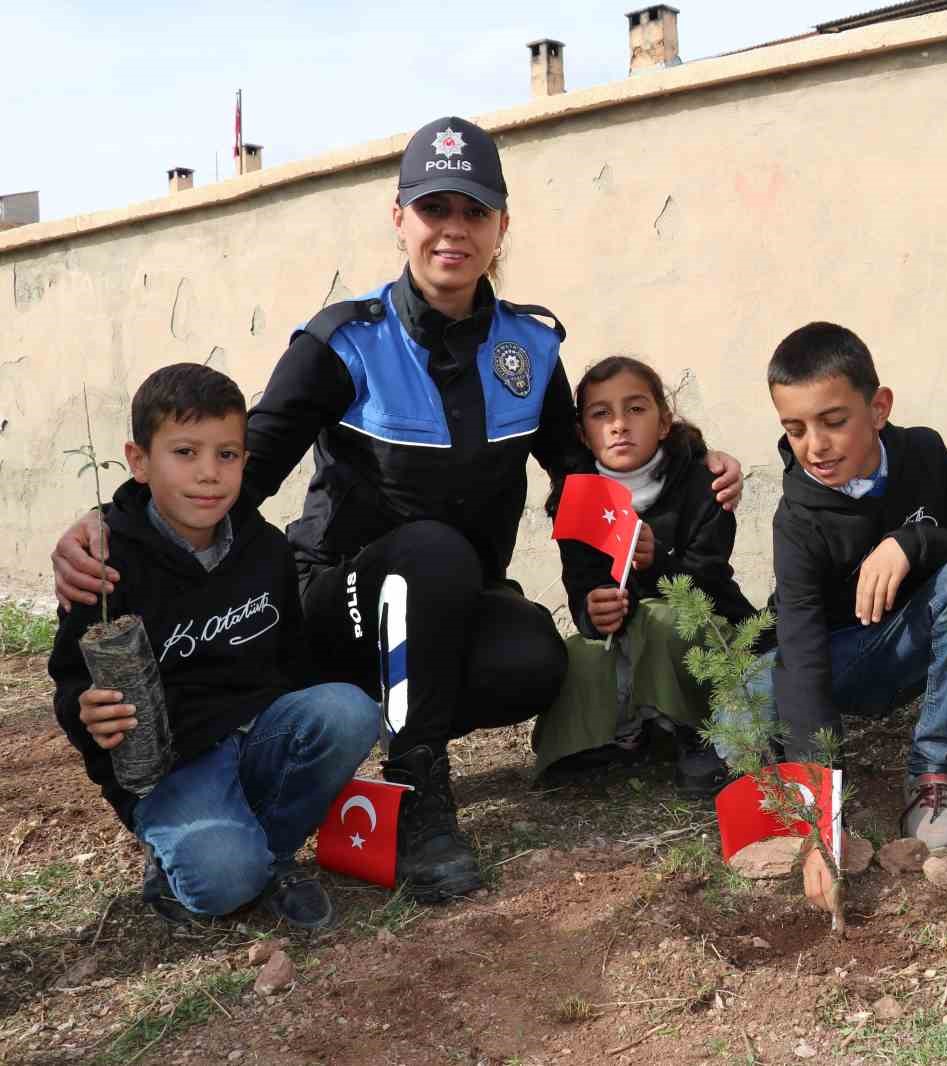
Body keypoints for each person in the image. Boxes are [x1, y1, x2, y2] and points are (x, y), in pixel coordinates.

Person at [51, 116, 744, 904]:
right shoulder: (342, 343)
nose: (453, 230)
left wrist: (684, 476)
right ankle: (419, 793)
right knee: (433, 550)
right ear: (399, 218)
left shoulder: (532, 351)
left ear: (501, 227)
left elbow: (577, 477)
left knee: (531, 661)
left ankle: (383, 740)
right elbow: (243, 466)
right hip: (332, 604)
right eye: (434, 209)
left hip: (447, 603)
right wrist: (112, 521)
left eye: (473, 212)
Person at [49, 363, 380, 930]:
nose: (208, 474)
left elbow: (292, 667)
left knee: (348, 711)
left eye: (226, 455)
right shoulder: (104, 565)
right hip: (173, 766)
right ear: (138, 461)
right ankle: (197, 858)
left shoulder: (266, 552)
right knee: (222, 880)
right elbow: (73, 677)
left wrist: (304, 751)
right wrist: (85, 713)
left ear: (245, 462)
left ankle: (268, 853)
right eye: (185, 452)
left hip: (254, 742)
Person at [768, 321, 947, 852]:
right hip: (833, 660)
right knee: (741, 705)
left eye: (833, 421)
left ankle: (935, 776)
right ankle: (792, 801)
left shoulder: (923, 454)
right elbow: (803, 656)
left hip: (904, 647)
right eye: (796, 429)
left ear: (879, 407)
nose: (816, 446)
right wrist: (823, 815)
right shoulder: (797, 521)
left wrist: (915, 542)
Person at [534, 355, 768, 795]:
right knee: (581, 652)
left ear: (663, 422)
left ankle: (695, 734)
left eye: (636, 409)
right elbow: (580, 585)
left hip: (704, 630)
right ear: (584, 434)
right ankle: (620, 739)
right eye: (601, 414)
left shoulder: (705, 483)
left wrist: (657, 562)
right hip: (627, 639)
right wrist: (593, 610)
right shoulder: (579, 497)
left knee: (663, 622)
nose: (619, 425)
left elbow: (710, 583)